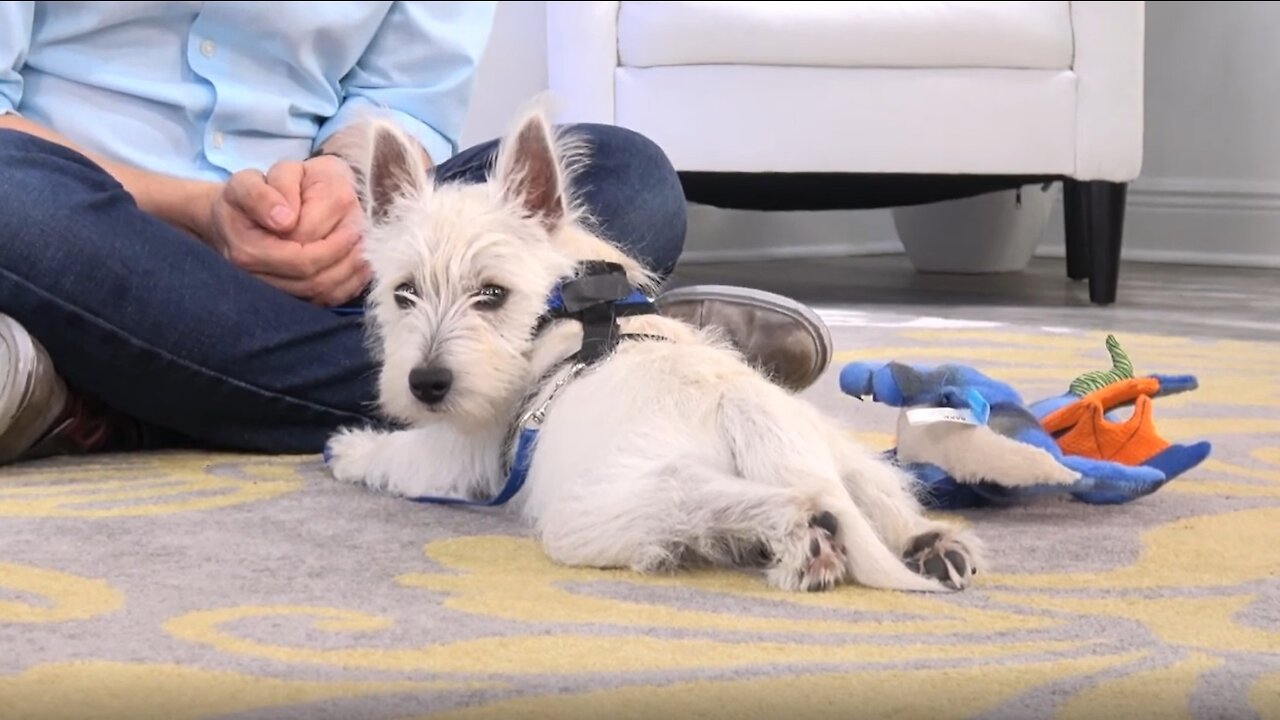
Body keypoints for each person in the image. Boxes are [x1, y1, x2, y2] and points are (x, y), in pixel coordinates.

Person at [0, 2, 833, 467]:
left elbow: (400, 100)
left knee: (626, 176)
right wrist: (200, 213)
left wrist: (341, 190)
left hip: (346, 254)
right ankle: (587, 358)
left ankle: (107, 389)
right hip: (91, 224)